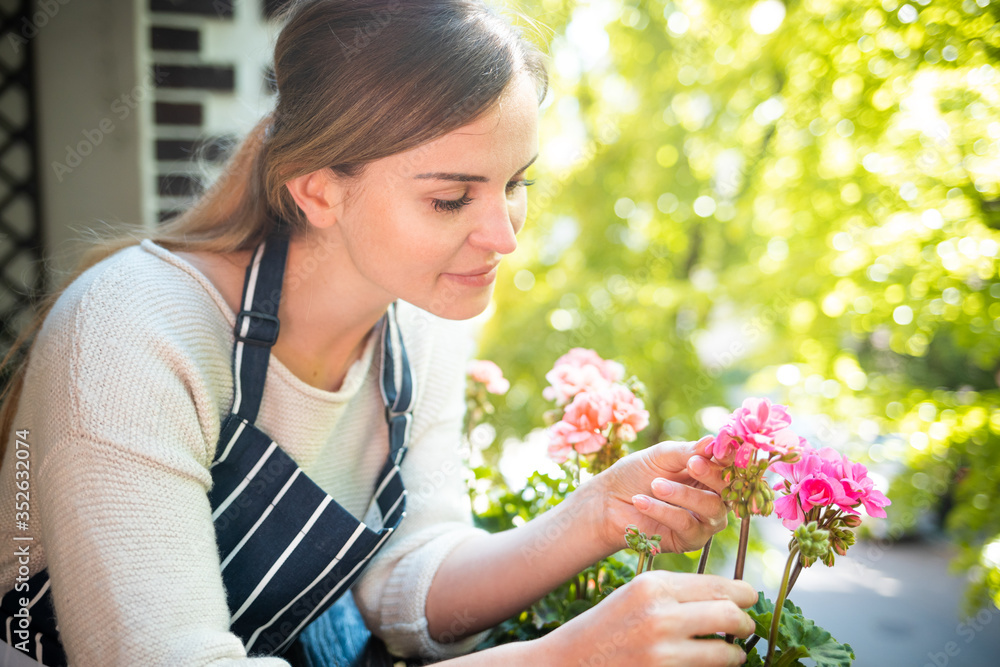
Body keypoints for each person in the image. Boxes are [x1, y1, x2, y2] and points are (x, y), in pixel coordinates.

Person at [0, 1, 756, 665]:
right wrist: (569, 658)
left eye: (515, 183)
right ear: (319, 189)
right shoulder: (134, 329)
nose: (504, 235)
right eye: (452, 198)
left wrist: (600, 513)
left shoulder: (417, 324)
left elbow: (406, 582)